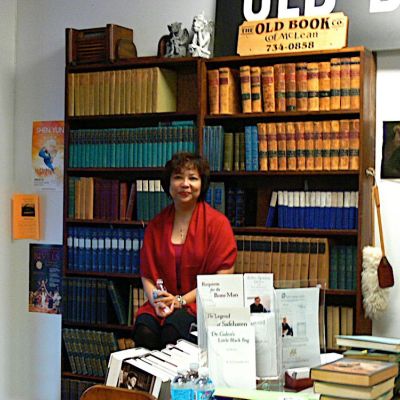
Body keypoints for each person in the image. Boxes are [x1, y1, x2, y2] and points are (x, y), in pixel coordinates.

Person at [133, 152, 237, 350]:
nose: (185, 184)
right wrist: (156, 301)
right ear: (169, 184)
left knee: (173, 331)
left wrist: (180, 301)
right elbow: (146, 274)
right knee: (144, 329)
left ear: (202, 184)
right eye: (178, 177)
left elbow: (221, 279)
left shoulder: (218, 224)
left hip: (201, 304)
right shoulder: (156, 225)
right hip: (162, 304)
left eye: (193, 178)